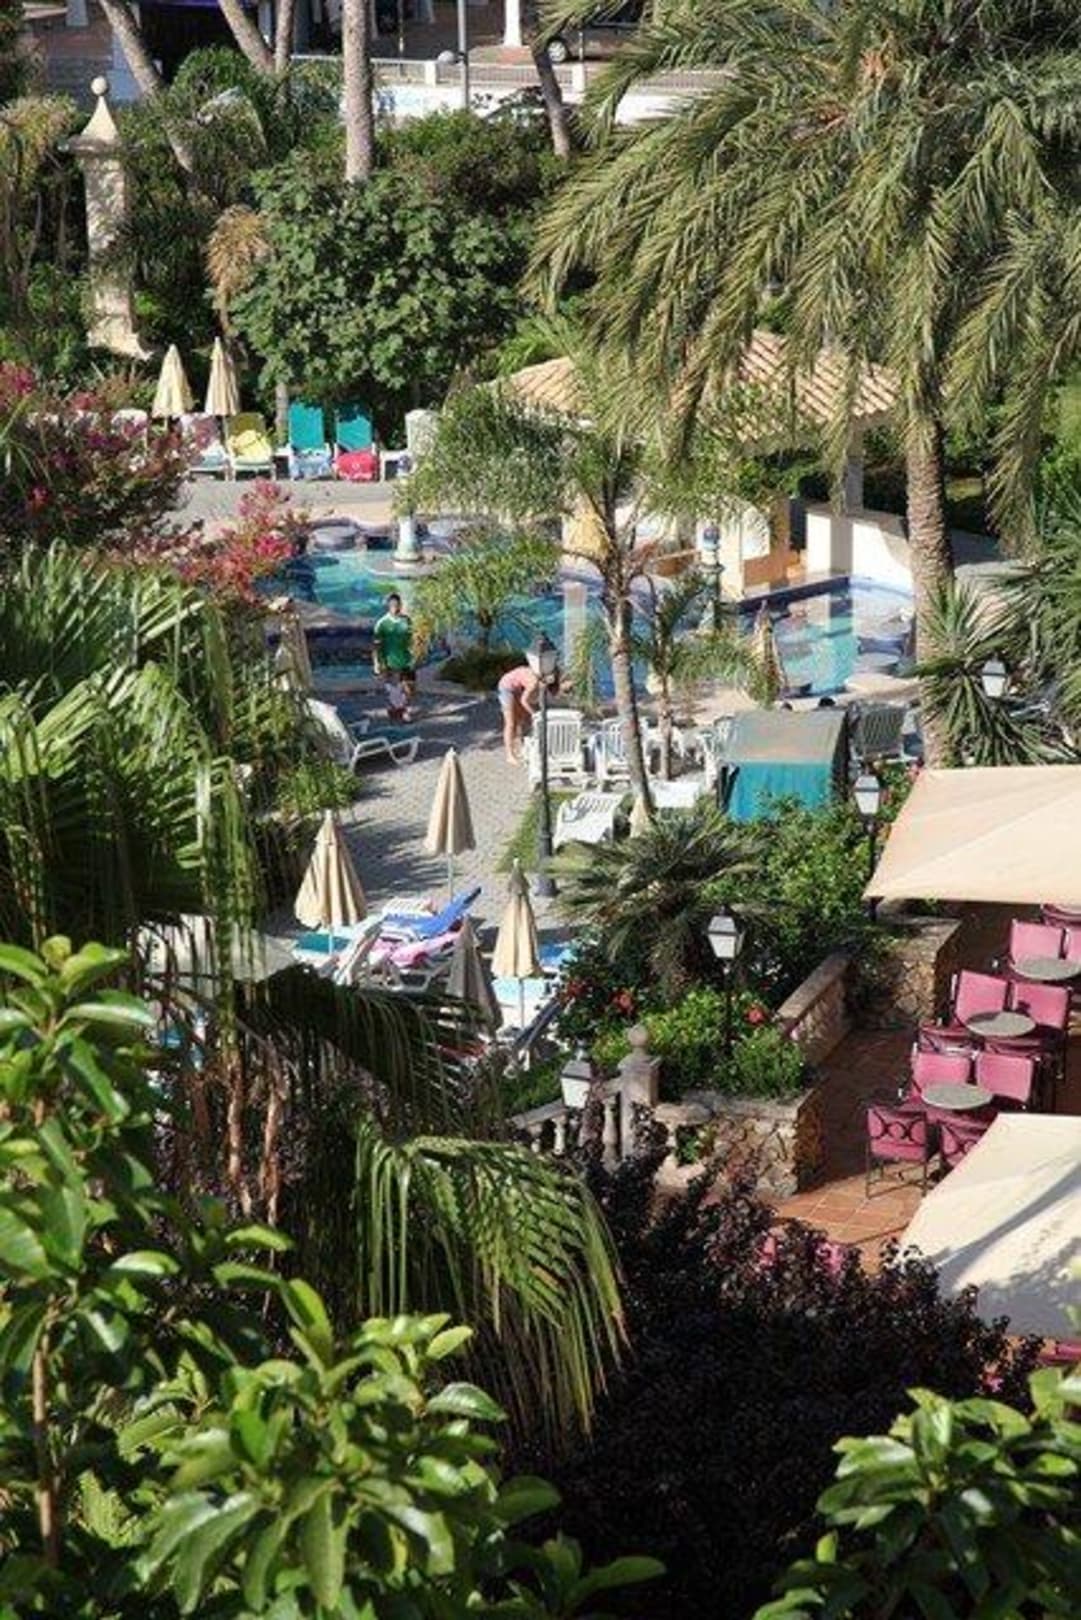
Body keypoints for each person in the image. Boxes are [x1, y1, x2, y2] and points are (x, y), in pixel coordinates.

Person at [497, 662, 559, 764]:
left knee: (521, 719)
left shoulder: (541, 679)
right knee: (510, 722)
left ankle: (523, 748)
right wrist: (535, 714)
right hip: (506, 687)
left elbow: (538, 699)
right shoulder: (534, 682)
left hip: (517, 687)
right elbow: (524, 701)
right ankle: (510, 755)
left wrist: (535, 712)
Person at [372, 593, 416, 713]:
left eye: (397, 604)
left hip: (406, 660)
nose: (395, 607)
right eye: (392, 604)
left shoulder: (406, 620)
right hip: (390, 662)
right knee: (395, 690)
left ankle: (398, 708)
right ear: (388, 606)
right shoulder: (382, 623)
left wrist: (415, 654)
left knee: (411, 688)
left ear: (400, 605)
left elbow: (412, 638)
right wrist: (376, 663)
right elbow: (376, 646)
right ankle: (401, 710)